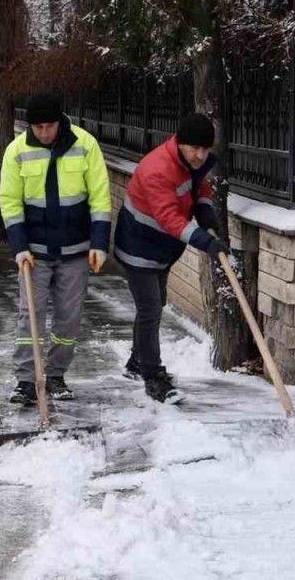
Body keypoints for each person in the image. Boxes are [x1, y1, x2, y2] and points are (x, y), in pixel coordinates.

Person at [0, 94, 112, 405]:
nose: (44, 133)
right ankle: (25, 379)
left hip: (76, 249)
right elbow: (10, 202)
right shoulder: (17, 151)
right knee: (29, 316)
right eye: (38, 127)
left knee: (69, 317)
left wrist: (99, 244)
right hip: (33, 252)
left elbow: (100, 197)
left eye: (49, 126)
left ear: (60, 121)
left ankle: (56, 375)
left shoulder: (85, 145)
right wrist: (19, 247)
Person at [113, 113, 227, 404]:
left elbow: (198, 186)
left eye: (205, 149)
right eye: (194, 148)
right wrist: (205, 241)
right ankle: (153, 377)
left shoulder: (189, 162)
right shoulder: (157, 170)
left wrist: (204, 210)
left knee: (155, 304)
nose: (200, 155)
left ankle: (137, 361)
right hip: (139, 247)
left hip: (161, 249)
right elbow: (168, 218)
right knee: (150, 309)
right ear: (180, 143)